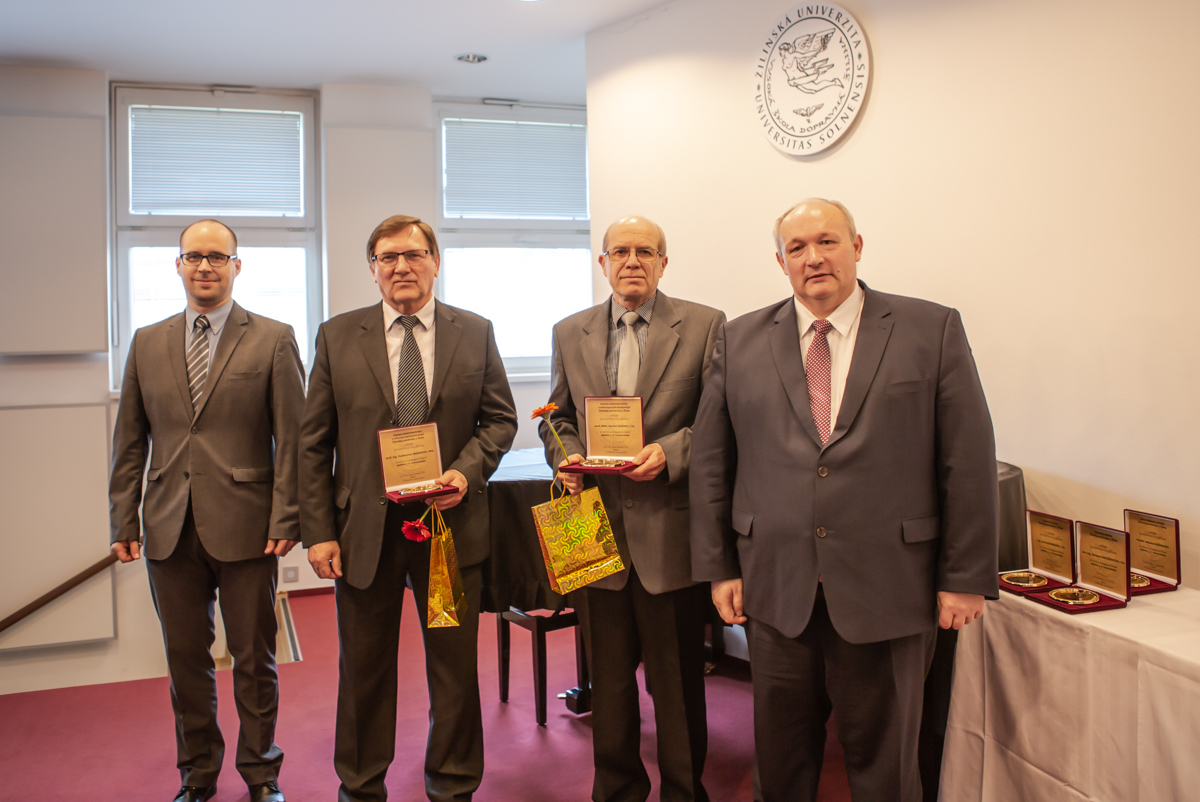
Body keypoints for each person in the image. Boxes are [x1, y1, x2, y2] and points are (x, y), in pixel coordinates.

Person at [689, 199, 998, 802]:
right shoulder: (738, 338)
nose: (813, 258)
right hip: (777, 589)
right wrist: (720, 565)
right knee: (780, 768)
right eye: (797, 247)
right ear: (780, 261)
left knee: (887, 771)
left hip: (892, 589)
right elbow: (711, 461)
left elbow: (966, 459)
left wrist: (964, 577)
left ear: (857, 247)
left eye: (827, 241)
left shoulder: (930, 329)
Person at [299, 215, 517, 802]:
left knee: (453, 669)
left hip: (449, 530)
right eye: (388, 257)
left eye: (414, 255)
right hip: (364, 533)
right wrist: (318, 531)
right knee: (363, 670)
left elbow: (500, 420)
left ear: (435, 262)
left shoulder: (475, 332)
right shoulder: (336, 336)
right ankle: (360, 786)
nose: (402, 267)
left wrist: (464, 473)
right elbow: (313, 442)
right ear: (372, 269)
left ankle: (453, 785)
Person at [109, 219, 305, 802]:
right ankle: (196, 775)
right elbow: (129, 441)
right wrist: (123, 519)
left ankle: (262, 773)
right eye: (194, 256)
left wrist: (287, 516)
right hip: (168, 527)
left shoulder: (273, 338)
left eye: (217, 257)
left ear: (236, 266)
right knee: (185, 660)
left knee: (254, 659)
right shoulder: (146, 342)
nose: (205, 267)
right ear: (178, 265)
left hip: (249, 527)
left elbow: (294, 439)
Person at [540, 215, 725, 802]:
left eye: (646, 251)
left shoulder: (705, 325)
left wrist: (670, 452)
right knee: (610, 684)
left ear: (663, 263)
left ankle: (683, 791)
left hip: (668, 532)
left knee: (676, 686)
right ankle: (617, 790)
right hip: (592, 531)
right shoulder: (569, 331)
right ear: (603, 263)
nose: (632, 261)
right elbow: (555, 417)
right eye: (620, 251)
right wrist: (565, 456)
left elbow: (720, 421)